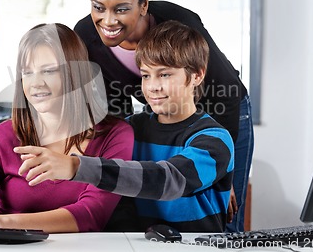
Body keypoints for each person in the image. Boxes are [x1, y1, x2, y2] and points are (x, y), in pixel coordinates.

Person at [73, 0, 254, 232]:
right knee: (155, 207)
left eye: (121, 9)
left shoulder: (180, 23)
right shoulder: (85, 36)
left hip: (223, 110)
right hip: (160, 111)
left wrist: (224, 179)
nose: (108, 21)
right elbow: (113, 110)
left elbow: (226, 96)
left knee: (222, 208)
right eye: (98, 7)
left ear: (143, 4)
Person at [15, 20, 234, 233]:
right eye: (146, 75)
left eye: (165, 74)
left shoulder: (215, 139)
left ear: (197, 75)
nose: (153, 87)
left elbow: (169, 181)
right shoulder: (127, 129)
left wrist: (75, 167)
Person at [0, 23, 134, 233]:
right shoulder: (1, 137)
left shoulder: (115, 135)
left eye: (48, 71)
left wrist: (4, 222)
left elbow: (92, 215)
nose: (36, 83)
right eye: (27, 73)